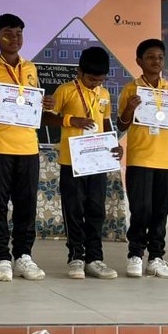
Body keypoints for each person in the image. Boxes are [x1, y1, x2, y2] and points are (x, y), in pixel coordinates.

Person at [0, 13, 54, 282]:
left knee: (26, 204)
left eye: (18, 34)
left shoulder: (30, 68)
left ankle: (24, 255)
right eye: (7, 34)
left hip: (28, 147)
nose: (14, 39)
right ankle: (2, 256)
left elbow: (32, 102)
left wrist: (45, 104)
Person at [44, 46, 122, 280]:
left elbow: (105, 123)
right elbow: (46, 117)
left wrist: (114, 144)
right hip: (72, 161)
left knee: (96, 209)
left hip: (97, 162)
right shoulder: (65, 90)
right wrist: (71, 120)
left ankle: (95, 259)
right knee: (74, 209)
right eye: (91, 80)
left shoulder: (104, 94)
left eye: (100, 80)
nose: (95, 84)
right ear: (79, 72)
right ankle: (76, 256)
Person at [116, 39, 168, 279]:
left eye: (160, 57)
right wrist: (130, 108)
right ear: (139, 61)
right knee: (141, 209)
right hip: (140, 159)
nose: (156, 61)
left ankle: (156, 257)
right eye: (150, 57)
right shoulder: (131, 89)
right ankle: (135, 255)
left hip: (166, 161)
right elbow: (121, 125)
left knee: (161, 211)